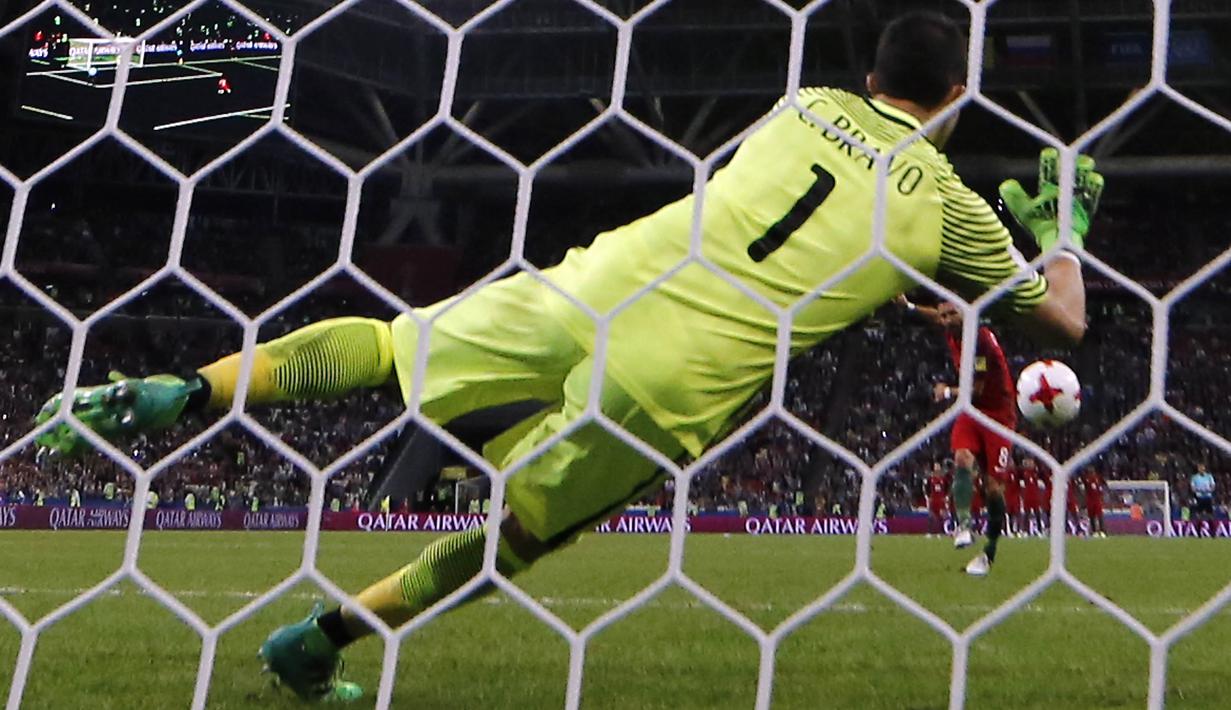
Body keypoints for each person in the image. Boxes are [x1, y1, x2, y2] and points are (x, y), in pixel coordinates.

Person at [31, 12, 1102, 701]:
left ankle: (184, 385)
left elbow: (813, 204)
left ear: (867, 74)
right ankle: (318, 641)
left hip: (596, 285)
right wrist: (1060, 236)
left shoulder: (801, 106)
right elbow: (1064, 324)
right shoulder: (949, 207)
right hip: (673, 380)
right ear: (953, 100)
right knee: (515, 537)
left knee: (391, 344)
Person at [900, 298, 1017, 576]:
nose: (946, 320)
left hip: (998, 414)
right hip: (971, 411)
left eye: (952, 314)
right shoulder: (952, 329)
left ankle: (988, 552)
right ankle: (963, 525)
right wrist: (910, 306)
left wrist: (947, 392)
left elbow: (976, 389)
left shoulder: (980, 342)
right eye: (943, 316)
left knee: (993, 488)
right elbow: (935, 315)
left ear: (965, 314)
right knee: (962, 458)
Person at [924, 461, 951, 537]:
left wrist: (946, 497)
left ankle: (941, 532)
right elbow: (926, 489)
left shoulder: (944, 479)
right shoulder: (930, 479)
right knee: (931, 517)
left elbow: (948, 488)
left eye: (938, 467)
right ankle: (930, 532)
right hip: (933, 500)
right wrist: (928, 498)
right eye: (936, 467)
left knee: (941, 517)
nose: (937, 469)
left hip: (940, 500)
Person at [1083, 466, 1106, 537]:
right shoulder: (1086, 479)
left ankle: (1102, 531)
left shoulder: (1098, 478)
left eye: (1092, 472)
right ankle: (1094, 531)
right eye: (1090, 472)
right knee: (1092, 516)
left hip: (1097, 500)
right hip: (1090, 501)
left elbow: (1103, 485)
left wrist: (1102, 494)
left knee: (1100, 516)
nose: (1092, 473)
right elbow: (1085, 486)